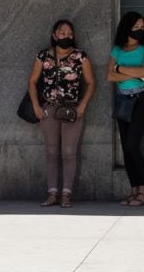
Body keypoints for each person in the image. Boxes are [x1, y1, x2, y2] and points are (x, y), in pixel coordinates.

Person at [28, 19, 96, 208]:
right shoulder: (43, 56)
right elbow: (32, 81)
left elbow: (91, 83)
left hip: (72, 109)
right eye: (62, 32)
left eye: (69, 33)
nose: (66, 36)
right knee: (51, 152)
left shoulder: (80, 57)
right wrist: (36, 106)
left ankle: (66, 194)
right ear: (54, 34)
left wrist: (82, 106)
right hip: (49, 108)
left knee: (69, 152)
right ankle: (52, 193)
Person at [108, 11, 144, 208]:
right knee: (126, 149)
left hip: (142, 99)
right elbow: (109, 76)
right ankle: (133, 190)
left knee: (132, 145)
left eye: (142, 27)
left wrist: (120, 69)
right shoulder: (117, 50)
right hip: (123, 100)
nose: (140, 30)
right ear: (127, 27)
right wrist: (129, 73)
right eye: (136, 26)